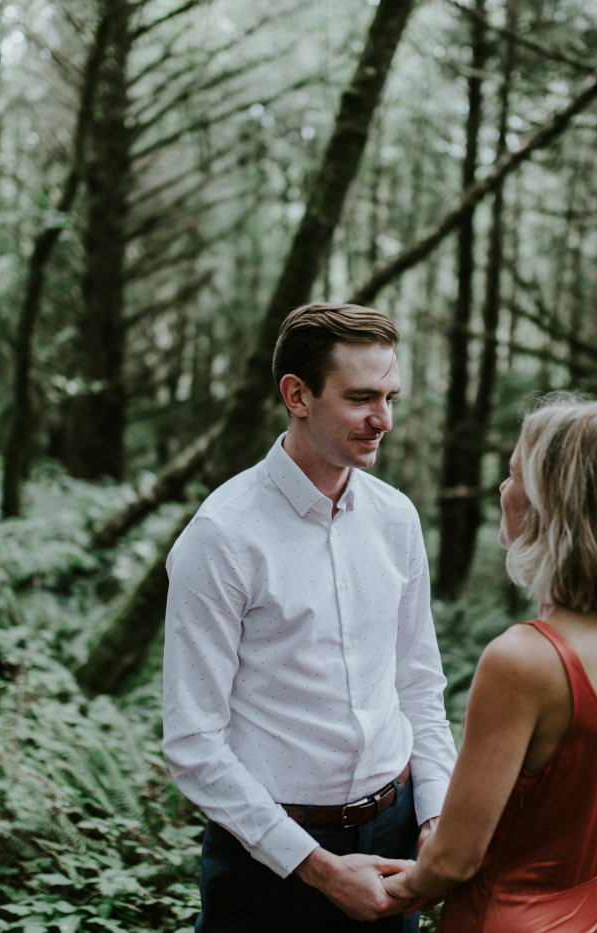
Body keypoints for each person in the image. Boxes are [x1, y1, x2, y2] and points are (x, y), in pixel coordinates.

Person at [162, 302, 457, 932]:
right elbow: (193, 744)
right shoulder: (221, 536)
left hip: (395, 834)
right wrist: (317, 867)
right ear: (297, 395)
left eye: (390, 396)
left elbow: (420, 689)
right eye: (361, 398)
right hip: (266, 861)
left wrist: (436, 819)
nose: (384, 419)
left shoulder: (397, 519)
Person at [382, 396, 597, 932]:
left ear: (551, 505)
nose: (504, 488)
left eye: (515, 473)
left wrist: (392, 887)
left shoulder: (522, 660)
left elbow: (454, 860)